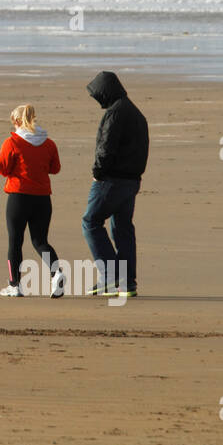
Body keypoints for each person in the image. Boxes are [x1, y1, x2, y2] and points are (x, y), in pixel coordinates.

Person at [81, 71, 148, 297]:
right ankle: (127, 283)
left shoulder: (116, 113)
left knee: (90, 222)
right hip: (132, 181)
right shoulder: (136, 113)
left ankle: (111, 276)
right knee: (123, 229)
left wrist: (97, 173)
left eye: (98, 95)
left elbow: (106, 148)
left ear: (105, 91)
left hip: (112, 180)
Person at [0, 104, 64, 298]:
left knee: (15, 242)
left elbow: (1, 168)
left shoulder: (12, 142)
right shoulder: (49, 143)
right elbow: (55, 168)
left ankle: (14, 284)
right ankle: (56, 273)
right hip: (43, 199)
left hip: (19, 197)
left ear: (16, 121)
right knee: (40, 241)